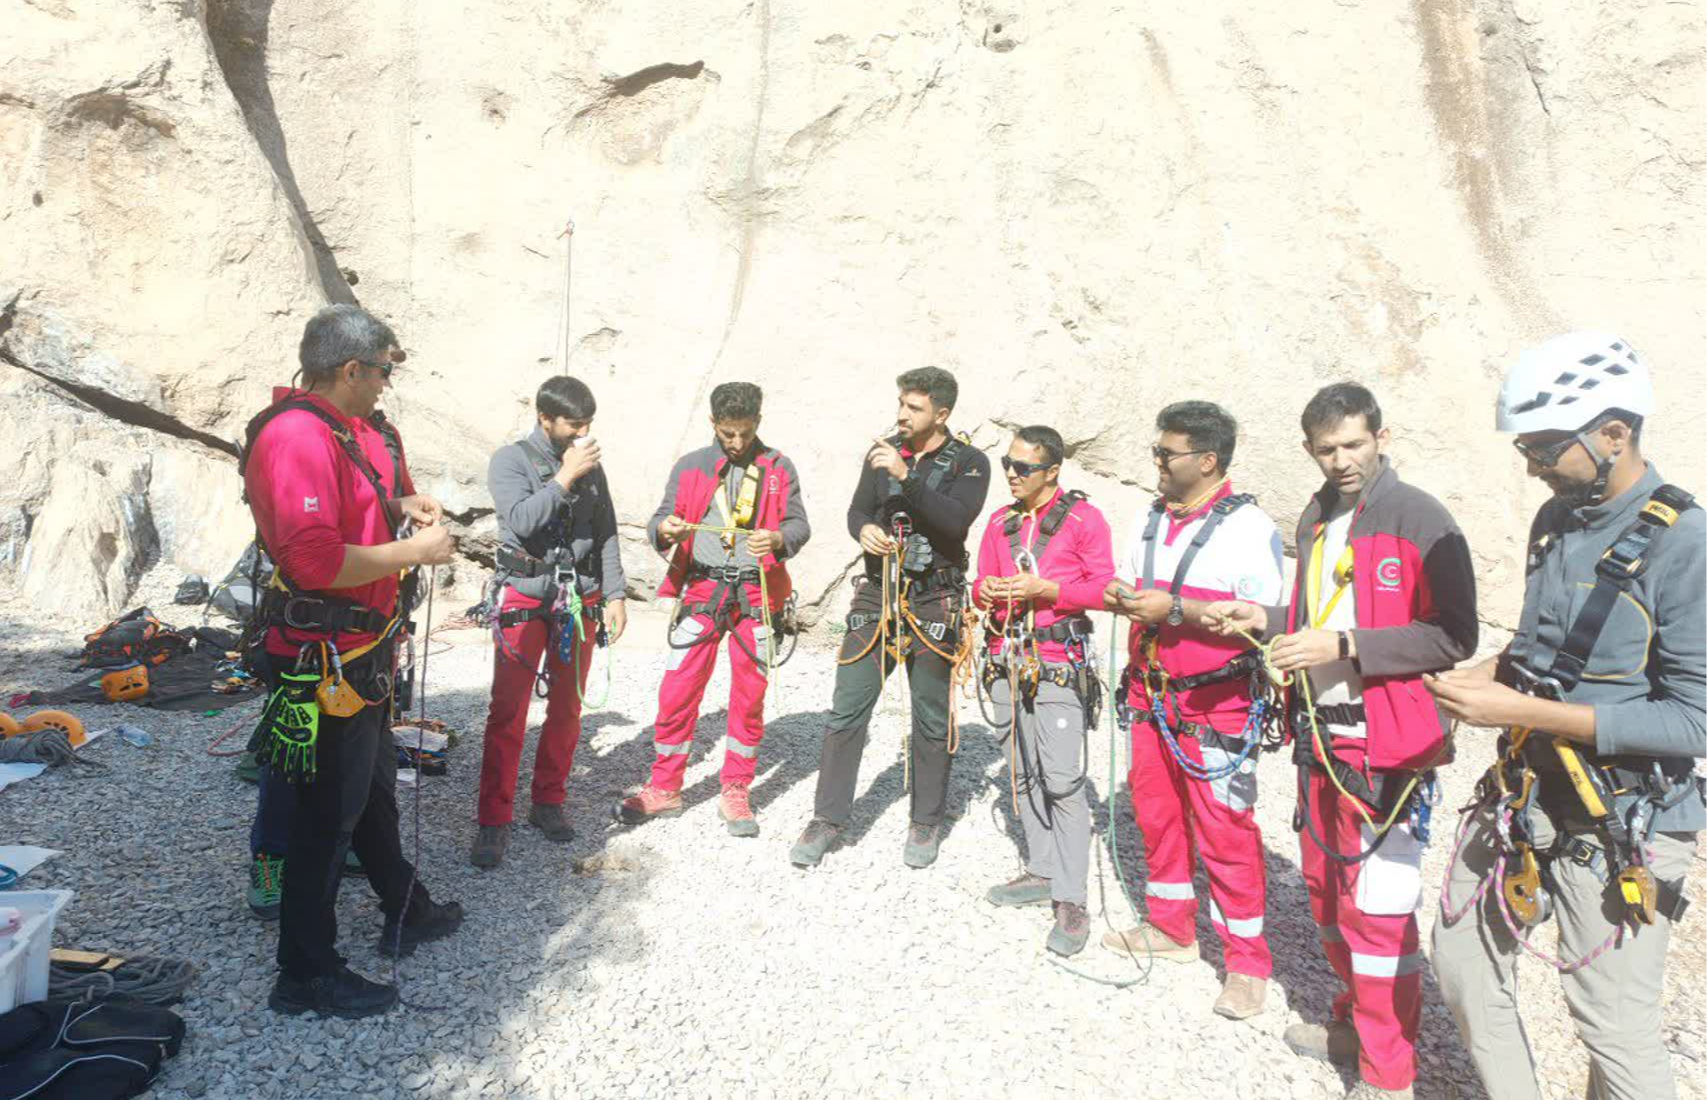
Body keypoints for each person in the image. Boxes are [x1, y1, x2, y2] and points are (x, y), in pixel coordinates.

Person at [1427, 332, 1703, 1100]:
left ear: (1613, 433)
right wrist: (1479, 681)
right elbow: (1542, 652)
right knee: (1460, 957)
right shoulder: (1555, 519)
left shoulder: (1688, 546)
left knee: (1611, 1026)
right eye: (1525, 448)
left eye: (1545, 448)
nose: (1531, 466)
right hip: (1527, 790)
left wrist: (1519, 709)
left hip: (1625, 818)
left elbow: (1695, 721)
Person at [1204, 382, 1477, 1099]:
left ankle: (1389, 1076)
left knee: (1377, 910)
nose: (1341, 460)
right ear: (1308, 450)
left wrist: (1346, 644)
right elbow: (1314, 615)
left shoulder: (1420, 517)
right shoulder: (1318, 515)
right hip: (1318, 741)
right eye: (1326, 449)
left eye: (1354, 444)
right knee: (1327, 899)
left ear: (1381, 438)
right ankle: (1354, 1024)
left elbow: (1455, 635)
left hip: (1383, 746)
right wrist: (1264, 618)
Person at [241, 304, 464, 1018]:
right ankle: (304, 972)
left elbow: (344, 516)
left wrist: (398, 505)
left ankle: (405, 905)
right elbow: (312, 561)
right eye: (382, 372)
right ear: (350, 370)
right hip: (324, 659)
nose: (385, 385)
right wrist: (414, 551)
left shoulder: (339, 429)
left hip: (358, 652)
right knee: (325, 816)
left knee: (369, 790)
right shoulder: (298, 437)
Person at [1099, 401, 1285, 1020]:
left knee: (1226, 830)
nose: (1156, 461)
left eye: (1166, 453)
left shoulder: (1249, 527)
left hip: (1217, 702)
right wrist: (1121, 595)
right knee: (1156, 811)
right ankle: (1171, 926)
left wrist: (1173, 609)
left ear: (1207, 461)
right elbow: (1127, 579)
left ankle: (1246, 964)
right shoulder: (1151, 516)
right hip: (1150, 694)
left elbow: (1259, 619)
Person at [791, 366, 992, 869]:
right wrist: (863, 531)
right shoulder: (883, 452)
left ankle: (925, 821)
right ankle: (827, 818)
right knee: (847, 708)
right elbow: (858, 510)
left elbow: (956, 522)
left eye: (914, 407)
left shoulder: (970, 462)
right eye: (901, 403)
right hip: (877, 594)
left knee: (930, 715)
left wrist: (909, 478)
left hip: (935, 597)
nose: (902, 414)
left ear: (941, 414)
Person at [616, 382, 808, 835]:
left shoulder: (779, 467)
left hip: (757, 596)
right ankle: (665, 787)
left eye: (745, 432)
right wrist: (666, 529)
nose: (737, 443)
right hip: (703, 589)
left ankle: (736, 790)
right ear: (713, 424)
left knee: (749, 696)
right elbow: (660, 519)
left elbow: (799, 525)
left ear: (758, 422)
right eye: (727, 433)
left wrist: (778, 539)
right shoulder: (691, 466)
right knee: (678, 689)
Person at [470, 376, 628, 867]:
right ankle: (494, 818)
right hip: (525, 592)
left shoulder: (590, 466)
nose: (583, 433)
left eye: (588, 424)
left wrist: (616, 593)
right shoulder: (510, 460)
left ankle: (548, 801)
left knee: (567, 708)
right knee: (508, 711)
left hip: (577, 597)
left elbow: (605, 530)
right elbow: (521, 521)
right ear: (544, 418)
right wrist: (565, 476)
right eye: (573, 424)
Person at [973, 425, 1113, 955]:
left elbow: (1104, 588)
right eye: (1008, 464)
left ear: (1052, 471)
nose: (1011, 474)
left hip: (1056, 663)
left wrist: (1047, 589)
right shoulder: (999, 523)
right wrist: (986, 590)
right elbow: (979, 582)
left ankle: (1072, 899)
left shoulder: (1084, 520)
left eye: (1023, 467)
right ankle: (1042, 868)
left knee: (1061, 780)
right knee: (1022, 771)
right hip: (1006, 661)